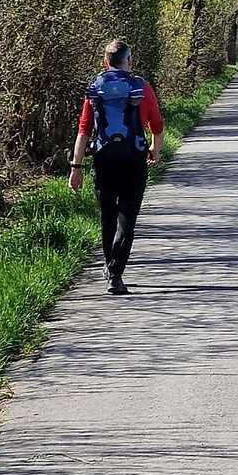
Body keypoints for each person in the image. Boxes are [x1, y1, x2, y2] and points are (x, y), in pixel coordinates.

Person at [69, 39, 165, 295]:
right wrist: (155, 150)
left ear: (105, 61)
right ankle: (115, 273)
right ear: (129, 61)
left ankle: (110, 265)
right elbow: (157, 125)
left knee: (108, 215)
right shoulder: (141, 87)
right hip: (134, 159)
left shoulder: (96, 89)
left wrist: (76, 167)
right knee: (127, 217)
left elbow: (84, 130)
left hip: (103, 159)